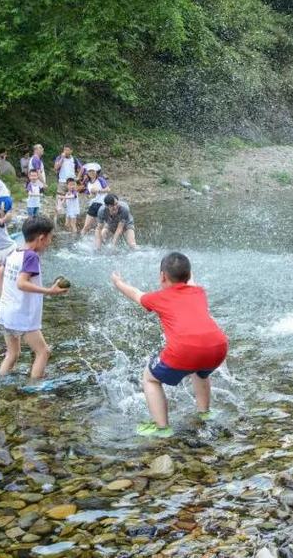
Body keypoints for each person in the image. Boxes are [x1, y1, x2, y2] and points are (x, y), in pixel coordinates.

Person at [110, 252, 229, 438]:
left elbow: (135, 293)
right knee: (200, 371)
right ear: (189, 276)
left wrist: (118, 282)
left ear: (162, 276)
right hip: (218, 347)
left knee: (150, 378)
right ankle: (204, 412)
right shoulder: (199, 291)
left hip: (184, 350)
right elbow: (190, 280)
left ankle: (162, 427)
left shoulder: (158, 297)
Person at [0, 216, 68, 381]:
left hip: (6, 312)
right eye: (50, 238)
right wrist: (50, 291)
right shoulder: (31, 256)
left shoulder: (14, 252)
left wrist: (5, 298)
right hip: (22, 314)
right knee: (43, 352)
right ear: (41, 238)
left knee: (12, 354)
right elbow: (21, 283)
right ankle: (34, 390)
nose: (50, 242)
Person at [53, 146, 82, 224]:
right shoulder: (59, 157)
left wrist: (78, 177)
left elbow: (81, 168)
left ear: (71, 151)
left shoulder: (74, 159)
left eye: (67, 150)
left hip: (72, 182)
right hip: (62, 182)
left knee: (72, 200)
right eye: (64, 149)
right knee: (59, 201)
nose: (65, 151)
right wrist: (62, 158)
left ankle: (69, 222)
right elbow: (56, 168)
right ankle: (55, 220)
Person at [80, 163, 110, 236]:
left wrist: (98, 190)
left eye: (93, 171)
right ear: (87, 173)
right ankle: (80, 241)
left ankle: (103, 241)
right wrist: (91, 195)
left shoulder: (100, 179)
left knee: (102, 226)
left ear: (96, 172)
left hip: (103, 205)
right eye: (90, 171)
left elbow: (108, 189)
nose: (91, 173)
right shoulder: (88, 183)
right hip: (93, 205)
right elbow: (90, 196)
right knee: (86, 226)